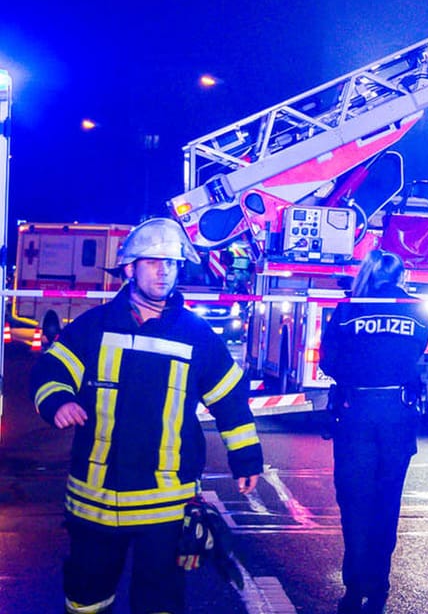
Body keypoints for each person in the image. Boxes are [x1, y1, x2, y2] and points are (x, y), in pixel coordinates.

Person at [29, 217, 263, 614]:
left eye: (170, 263)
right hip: (94, 501)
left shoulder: (197, 335)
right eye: (153, 262)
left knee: (159, 603)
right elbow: (52, 371)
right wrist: (58, 402)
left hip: (164, 504)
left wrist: (246, 457)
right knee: (86, 599)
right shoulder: (94, 326)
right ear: (129, 268)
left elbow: (229, 400)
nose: (163, 271)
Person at [320, 251, 428, 614]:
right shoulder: (416, 308)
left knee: (354, 503)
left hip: (356, 413)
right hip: (398, 415)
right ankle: (379, 585)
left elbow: (328, 361)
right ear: (401, 275)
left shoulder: (349, 308)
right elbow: (418, 351)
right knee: (387, 502)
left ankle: (353, 589)